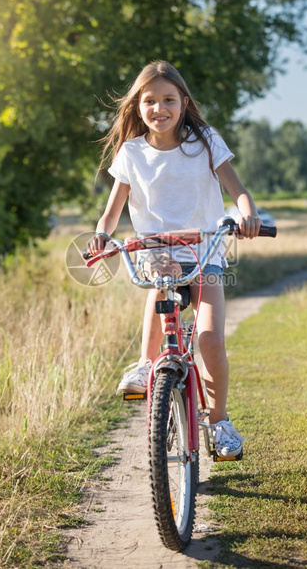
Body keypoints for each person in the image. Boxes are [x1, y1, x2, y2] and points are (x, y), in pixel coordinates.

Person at [87, 60, 261, 458]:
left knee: (209, 338)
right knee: (159, 288)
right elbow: (112, 210)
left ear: (184, 102)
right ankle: (148, 364)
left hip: (204, 253)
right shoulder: (131, 153)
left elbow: (238, 190)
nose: (159, 109)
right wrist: (102, 234)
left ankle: (218, 420)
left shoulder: (204, 141)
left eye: (168, 100)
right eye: (150, 101)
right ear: (137, 106)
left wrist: (247, 214)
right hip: (158, 252)